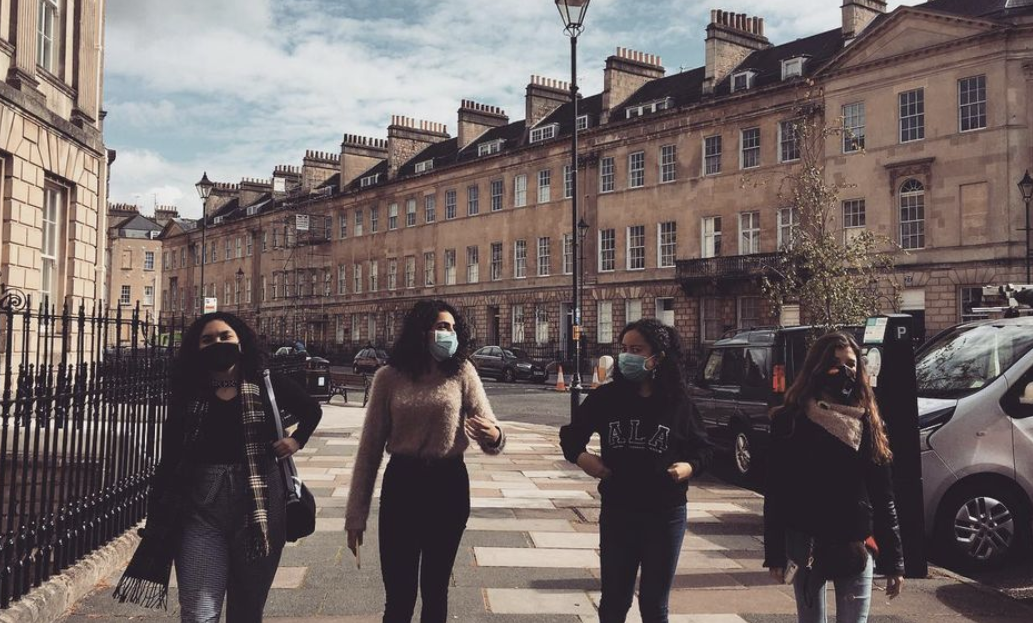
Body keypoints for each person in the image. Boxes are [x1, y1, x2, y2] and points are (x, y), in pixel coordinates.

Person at [114, 311, 322, 623]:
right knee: (199, 612)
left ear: (240, 341)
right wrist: (156, 512)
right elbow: (170, 457)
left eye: (225, 336)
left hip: (260, 508)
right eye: (208, 339)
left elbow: (311, 410)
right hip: (201, 509)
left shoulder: (265, 382)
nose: (218, 343)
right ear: (196, 349)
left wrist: (296, 441)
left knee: (247, 612)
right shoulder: (189, 392)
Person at [345, 299, 505, 623]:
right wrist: (356, 513)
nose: (449, 334)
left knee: (435, 591)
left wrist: (493, 435)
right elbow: (369, 449)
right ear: (422, 331)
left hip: (448, 485)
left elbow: (491, 429)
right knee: (399, 595)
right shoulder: (388, 377)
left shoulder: (462, 372)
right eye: (442, 327)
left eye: (453, 328)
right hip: (402, 484)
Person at [560, 318, 713, 623]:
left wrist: (688, 467)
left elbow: (704, 449)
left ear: (657, 357)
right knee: (615, 600)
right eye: (624, 349)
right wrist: (584, 459)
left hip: (665, 513)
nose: (627, 356)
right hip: (619, 510)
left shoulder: (678, 402)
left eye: (637, 349)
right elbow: (571, 435)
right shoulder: (607, 398)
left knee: (655, 604)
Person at [763, 331, 905, 623]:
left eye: (851, 364)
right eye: (835, 363)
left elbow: (883, 495)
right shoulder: (790, 420)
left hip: (854, 542)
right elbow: (776, 492)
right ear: (816, 368)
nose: (845, 371)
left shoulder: (867, 422)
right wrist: (775, 554)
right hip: (806, 541)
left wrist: (895, 562)